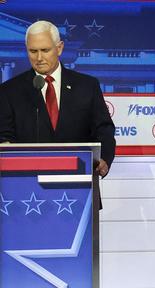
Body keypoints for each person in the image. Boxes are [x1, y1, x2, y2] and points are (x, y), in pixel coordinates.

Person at [0, 20, 116, 178]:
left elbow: (104, 129)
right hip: (28, 185)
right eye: (33, 51)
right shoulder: (9, 91)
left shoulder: (87, 86)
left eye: (45, 50)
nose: (39, 58)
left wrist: (104, 158)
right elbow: (4, 136)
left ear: (59, 48)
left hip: (80, 180)